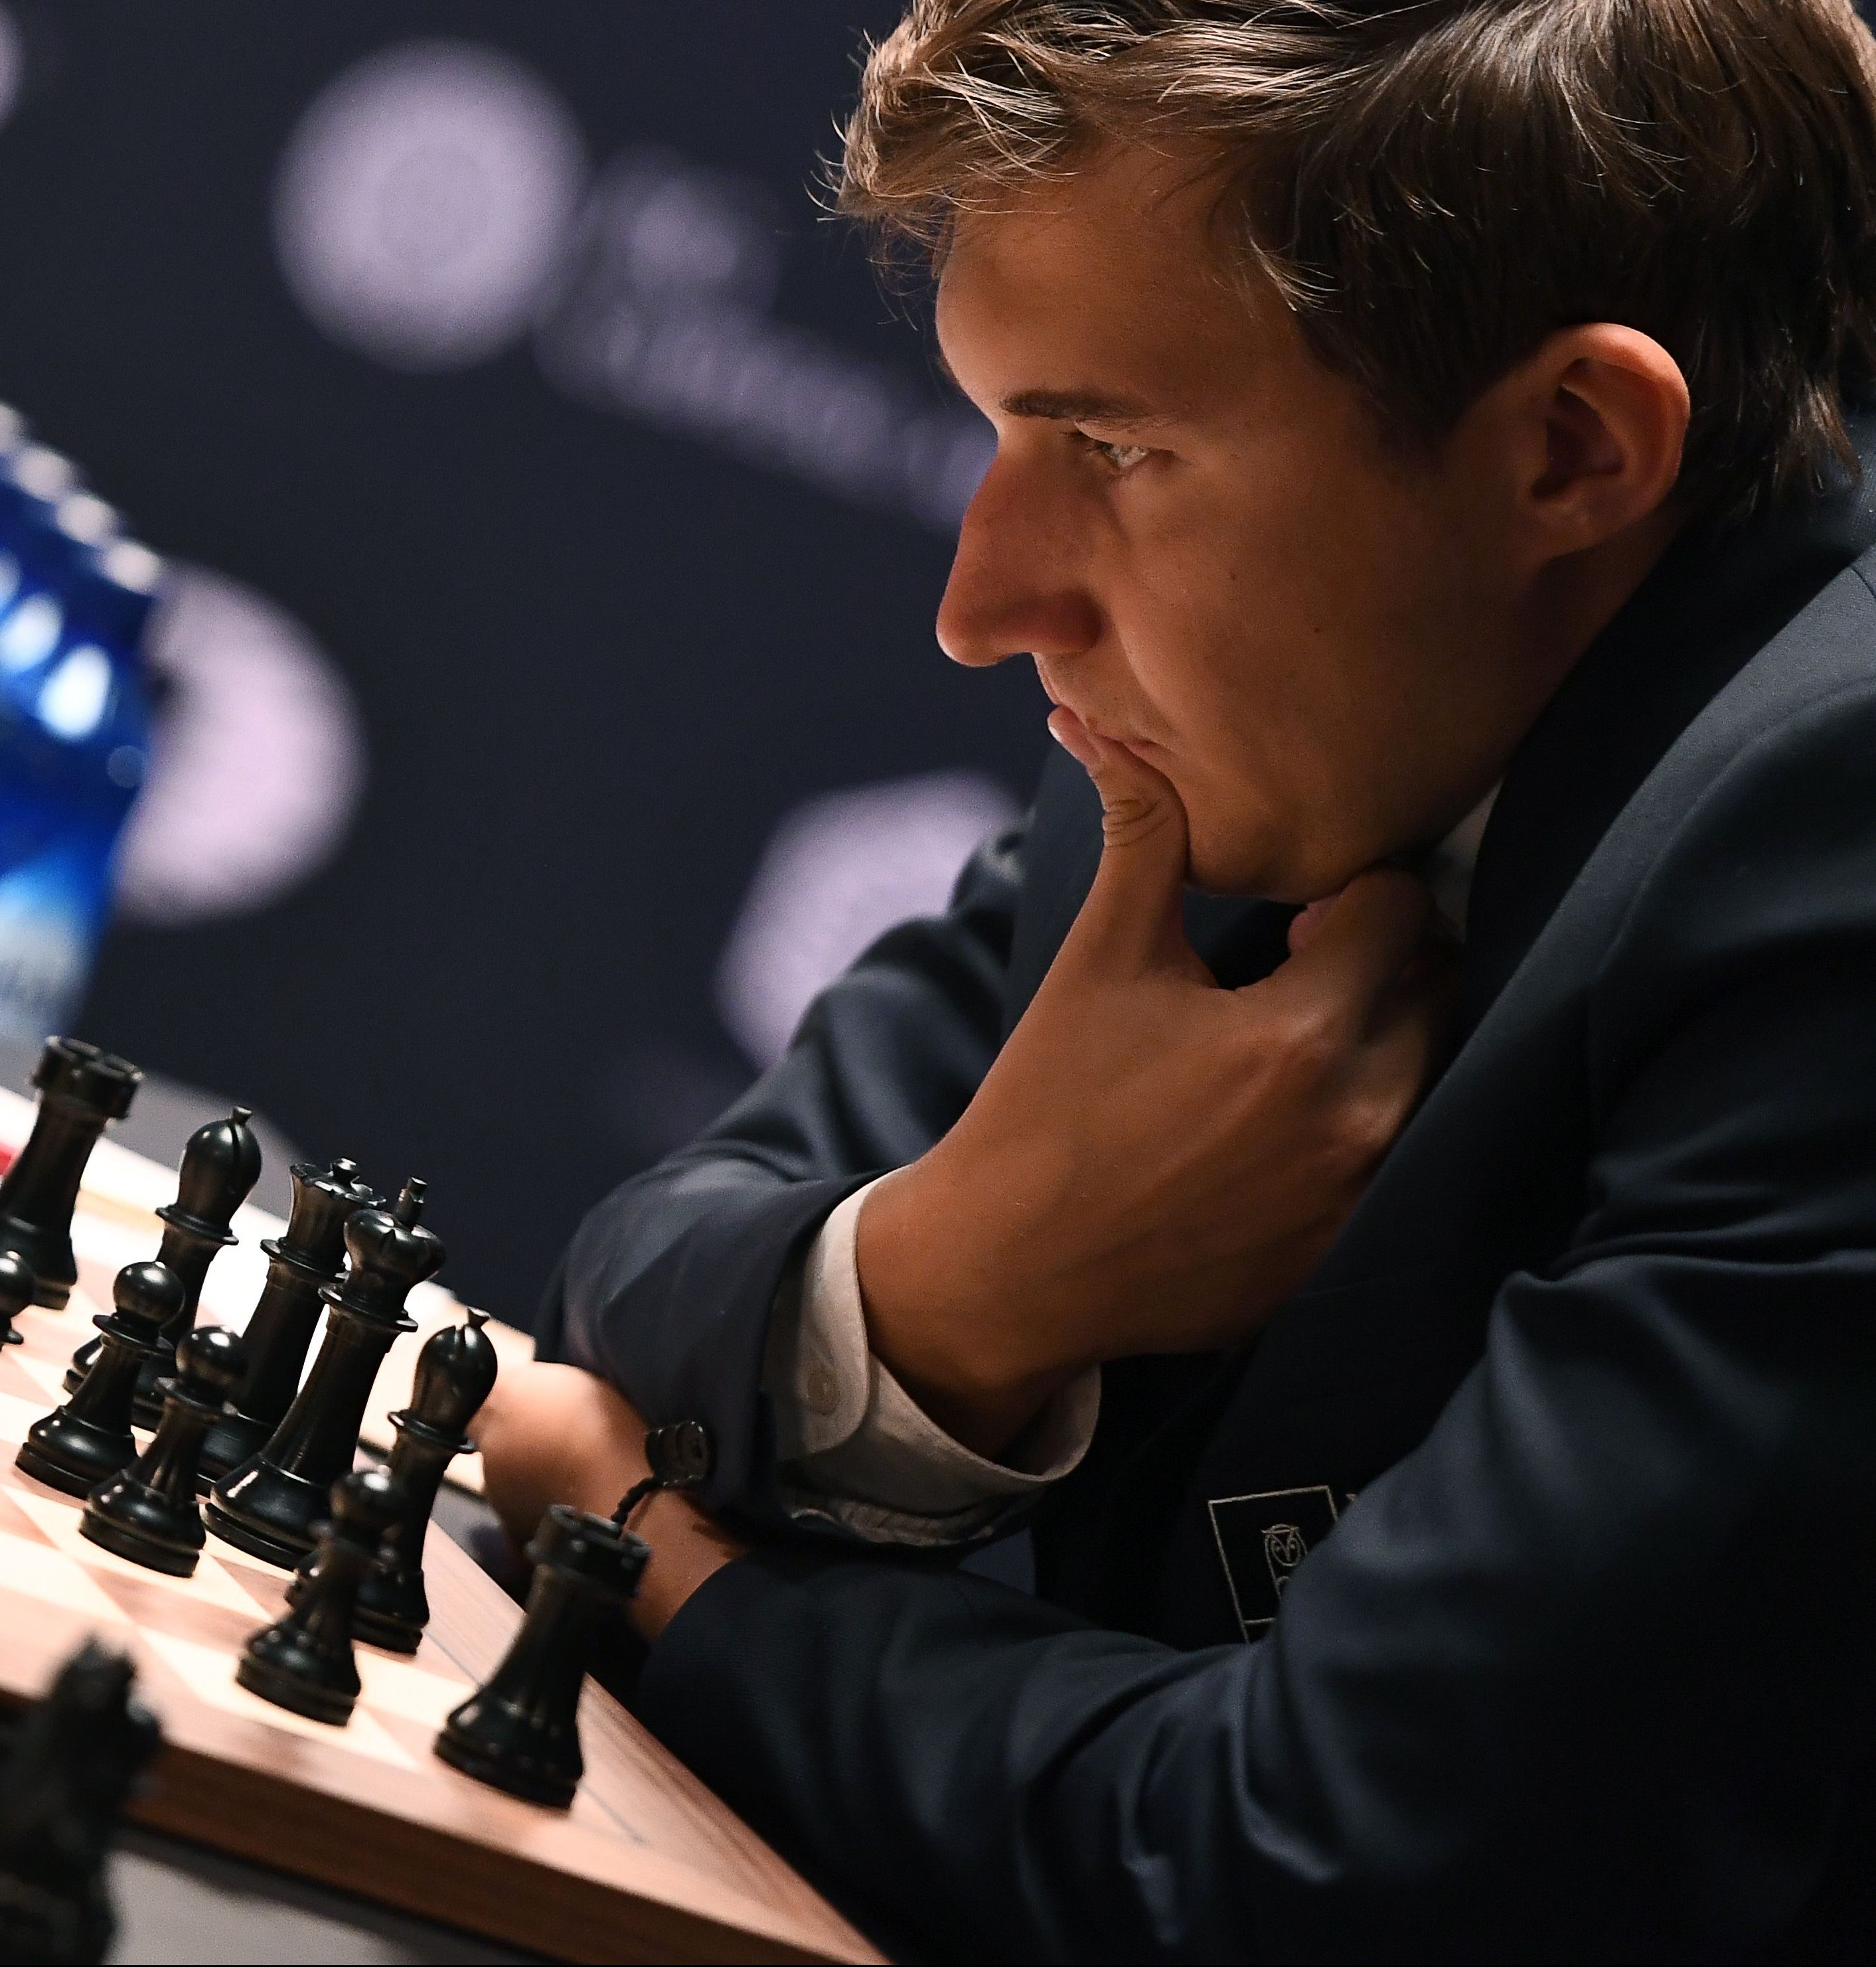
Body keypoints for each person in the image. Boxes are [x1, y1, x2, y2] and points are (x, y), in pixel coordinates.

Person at [476, 0, 1876, 1954]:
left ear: (1568, 447)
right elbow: (651, 1269)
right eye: (996, 432)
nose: (981, 605)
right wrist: (964, 1281)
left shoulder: (1829, 839)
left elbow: (1317, 1874)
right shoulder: (1299, 696)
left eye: (1111, 448)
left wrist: (650, 1562)